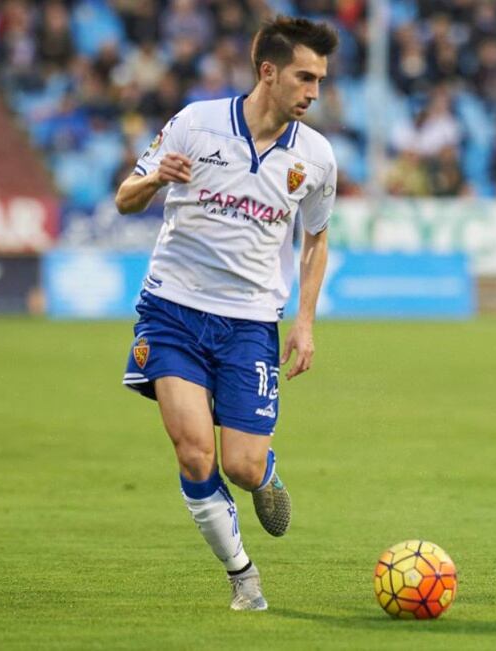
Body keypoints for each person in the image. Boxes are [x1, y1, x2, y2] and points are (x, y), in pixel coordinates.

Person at [114, 16, 338, 611]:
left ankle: (265, 476)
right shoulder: (195, 123)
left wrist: (306, 323)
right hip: (173, 311)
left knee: (240, 463)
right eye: (305, 77)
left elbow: (316, 241)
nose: (314, 92)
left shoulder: (316, 158)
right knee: (193, 450)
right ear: (268, 71)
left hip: (249, 325)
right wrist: (158, 177)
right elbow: (124, 198)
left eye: (320, 79)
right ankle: (243, 576)